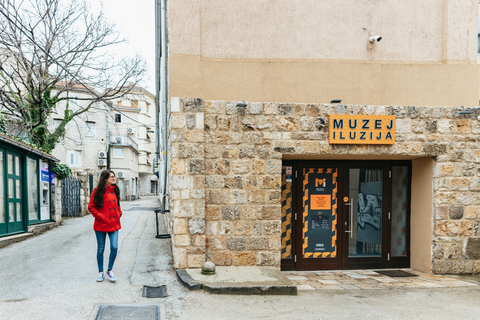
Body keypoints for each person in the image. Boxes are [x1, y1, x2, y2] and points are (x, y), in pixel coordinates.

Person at [88, 170, 122, 282]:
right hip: (101, 224)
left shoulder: (115, 190)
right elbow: (91, 207)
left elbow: (118, 205)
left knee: (114, 247)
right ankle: (101, 272)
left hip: (114, 224)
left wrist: (119, 213)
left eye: (114, 176)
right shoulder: (97, 191)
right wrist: (100, 217)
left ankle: (110, 270)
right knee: (101, 249)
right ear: (105, 179)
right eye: (111, 177)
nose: (113, 178)